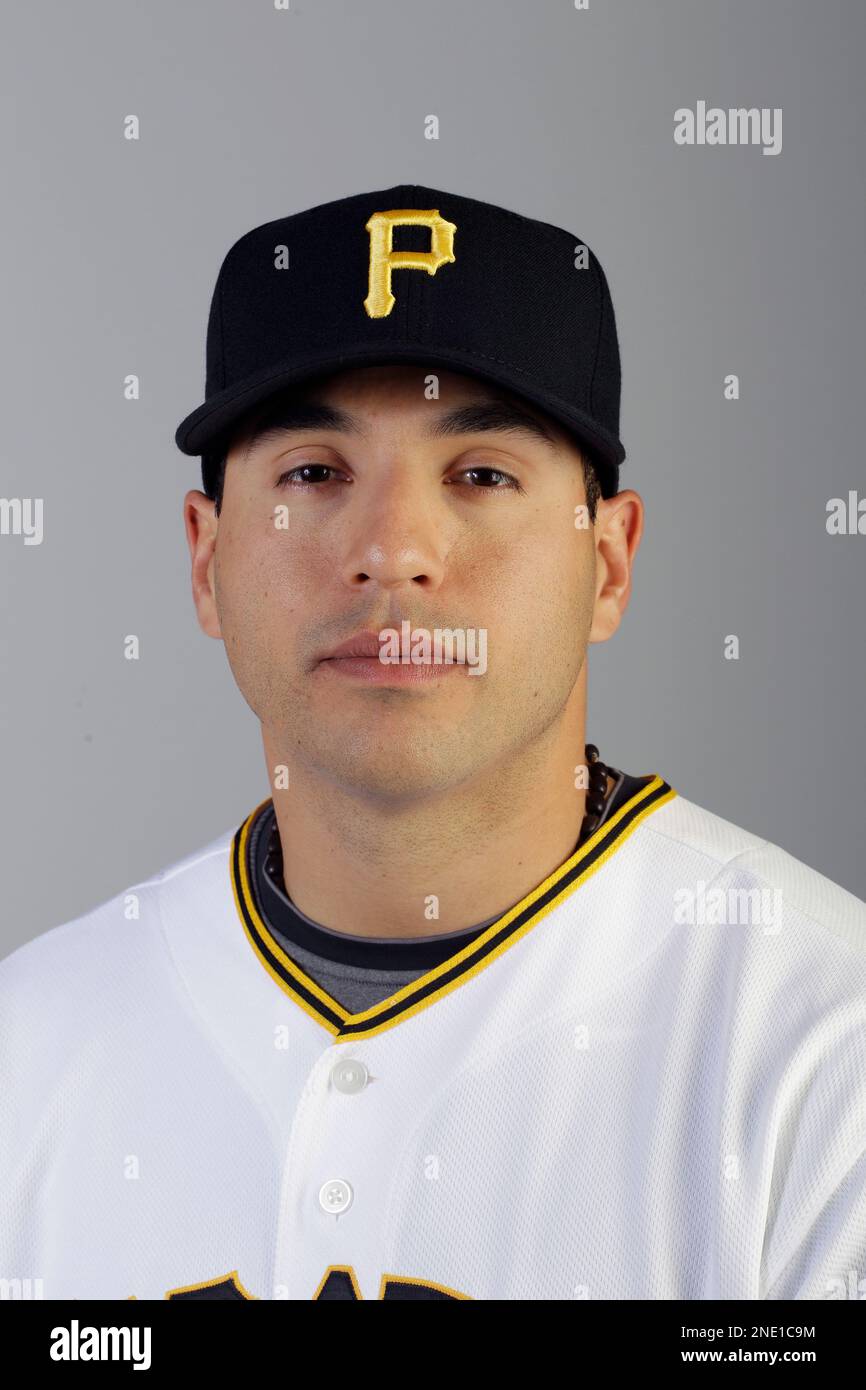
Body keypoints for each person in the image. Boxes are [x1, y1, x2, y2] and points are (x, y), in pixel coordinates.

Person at [1, 185, 864, 1302]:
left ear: (607, 563)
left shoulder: (822, 1045)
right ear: (206, 561)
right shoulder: (30, 1046)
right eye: (313, 472)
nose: (393, 549)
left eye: (481, 475)